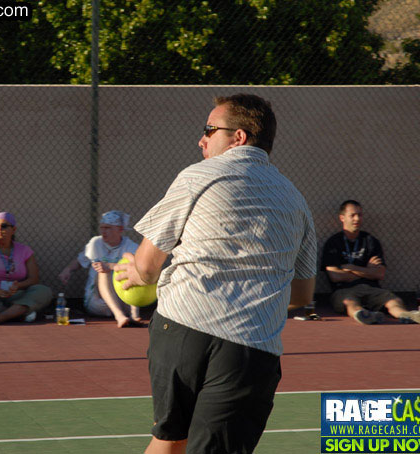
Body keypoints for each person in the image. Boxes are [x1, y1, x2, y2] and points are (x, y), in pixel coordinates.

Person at [114, 94, 317, 454]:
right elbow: (302, 296)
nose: (201, 139)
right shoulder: (297, 201)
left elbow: (146, 268)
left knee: (168, 439)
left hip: (181, 330)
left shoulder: (197, 176)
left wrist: (134, 272)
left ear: (239, 137)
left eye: (210, 129)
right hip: (251, 348)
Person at [321, 200, 420, 325]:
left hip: (371, 287)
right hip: (344, 290)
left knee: (393, 301)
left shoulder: (370, 241)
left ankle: (407, 315)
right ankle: (363, 315)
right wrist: (367, 270)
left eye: (360, 215)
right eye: (353, 215)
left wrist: (350, 268)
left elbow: (379, 274)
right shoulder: (333, 243)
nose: (357, 219)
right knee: (350, 303)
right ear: (342, 218)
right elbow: (335, 276)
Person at [58, 211, 143, 328]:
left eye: (108, 228)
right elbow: (81, 260)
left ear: (120, 229)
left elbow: (140, 268)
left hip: (124, 300)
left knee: (131, 265)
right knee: (103, 270)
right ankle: (119, 316)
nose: (103, 231)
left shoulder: (131, 246)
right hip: (97, 303)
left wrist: (111, 266)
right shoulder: (95, 243)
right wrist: (67, 270)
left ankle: (134, 314)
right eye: (102, 228)